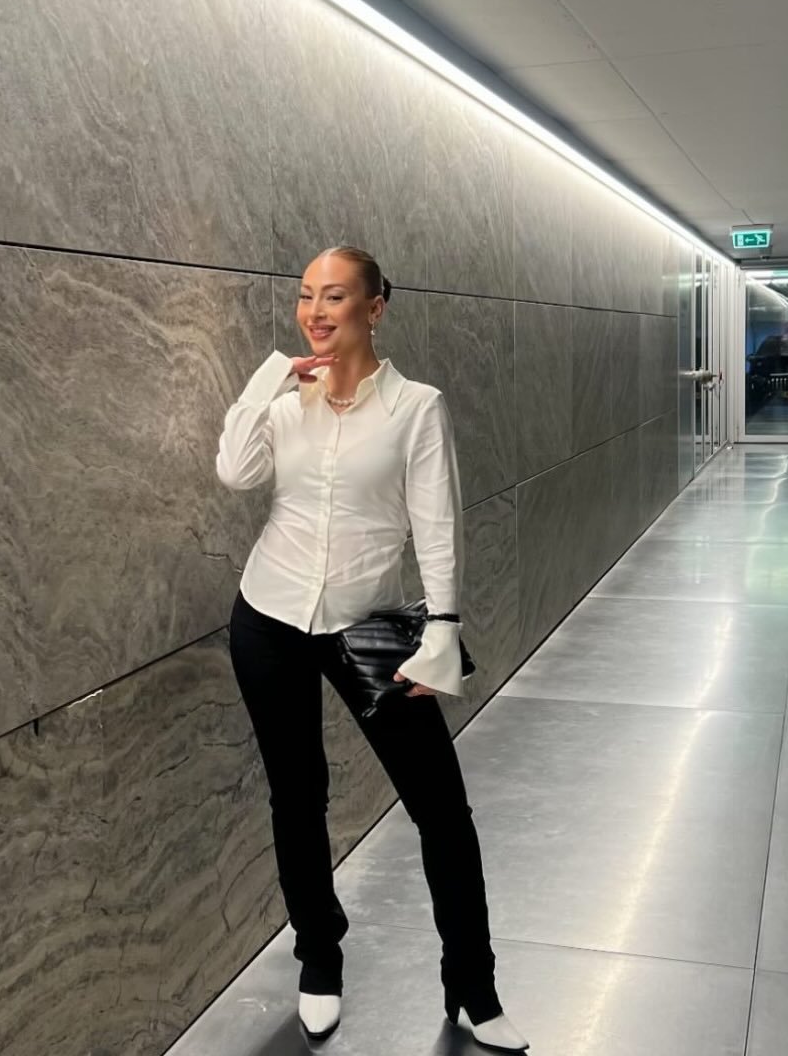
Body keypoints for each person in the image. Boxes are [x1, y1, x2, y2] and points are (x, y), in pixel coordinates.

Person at [216, 246, 528, 1051]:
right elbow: (234, 471)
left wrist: (443, 633)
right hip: (268, 618)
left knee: (441, 810)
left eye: (335, 296)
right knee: (297, 796)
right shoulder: (287, 403)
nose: (316, 312)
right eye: (306, 297)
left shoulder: (415, 408)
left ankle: (474, 984)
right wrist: (269, 379)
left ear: (375, 307)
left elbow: (438, 524)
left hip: (370, 629)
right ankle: (319, 957)